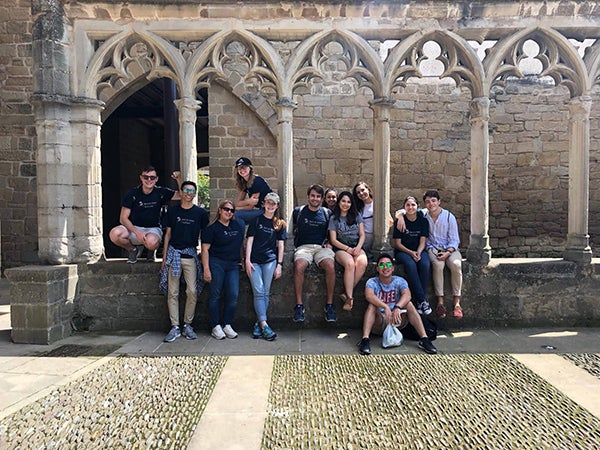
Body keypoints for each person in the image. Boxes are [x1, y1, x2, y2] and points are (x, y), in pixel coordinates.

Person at [357, 253, 438, 356]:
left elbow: (407, 295)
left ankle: (424, 339)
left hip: (397, 320)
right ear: (377, 268)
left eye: (389, 265)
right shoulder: (372, 282)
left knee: (408, 304)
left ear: (393, 268)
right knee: (372, 306)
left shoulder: (399, 281)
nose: (385, 267)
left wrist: (397, 307)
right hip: (380, 321)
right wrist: (385, 306)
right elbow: (369, 296)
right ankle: (365, 340)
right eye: (382, 265)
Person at [160, 181, 209, 343]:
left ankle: (188, 324)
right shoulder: (172, 212)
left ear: (195, 194)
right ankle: (174, 326)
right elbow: (167, 234)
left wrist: (203, 260)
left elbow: (204, 238)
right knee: (172, 292)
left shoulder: (200, 213)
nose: (189, 193)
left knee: (192, 291)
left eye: (192, 191)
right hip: (174, 254)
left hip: (190, 255)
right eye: (186, 190)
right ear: (181, 192)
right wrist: (164, 257)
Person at [109, 166, 181, 263]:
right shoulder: (132, 193)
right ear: (141, 178)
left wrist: (178, 179)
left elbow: (182, 195)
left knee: (151, 242)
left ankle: (151, 251)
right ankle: (132, 250)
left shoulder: (161, 192)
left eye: (152, 177)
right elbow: (123, 218)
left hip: (153, 228)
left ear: (156, 179)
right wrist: (138, 233)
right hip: (134, 228)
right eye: (146, 177)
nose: (149, 180)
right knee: (114, 234)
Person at [245, 192, 287, 341]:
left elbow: (281, 246)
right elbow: (249, 241)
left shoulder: (280, 224)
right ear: (264, 204)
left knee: (265, 292)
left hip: (270, 261)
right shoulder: (256, 220)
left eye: (273, 203)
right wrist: (247, 260)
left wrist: (280, 265)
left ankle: (259, 324)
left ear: (277, 206)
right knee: (259, 290)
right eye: (268, 202)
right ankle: (264, 324)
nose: (270, 206)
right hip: (255, 260)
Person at [292, 184, 337, 323]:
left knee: (330, 266)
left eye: (318, 196)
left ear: (321, 198)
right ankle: (299, 306)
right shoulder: (298, 212)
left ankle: (329, 305)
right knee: (299, 266)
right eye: (312, 196)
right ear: (308, 196)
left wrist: (330, 242)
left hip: (320, 247)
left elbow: (332, 232)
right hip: (303, 247)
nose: (315, 199)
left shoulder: (326, 213)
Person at [201, 200, 245, 339]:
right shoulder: (211, 229)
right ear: (220, 210)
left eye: (232, 210)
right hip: (216, 263)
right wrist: (206, 269)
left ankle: (227, 324)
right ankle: (215, 325)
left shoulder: (237, 226)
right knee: (215, 294)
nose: (229, 212)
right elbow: (205, 250)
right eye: (226, 209)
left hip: (232, 264)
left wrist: (242, 260)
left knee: (233, 294)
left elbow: (240, 245)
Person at [422, 190, 463, 319]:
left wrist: (448, 252)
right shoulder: (423, 215)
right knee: (438, 265)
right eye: (428, 202)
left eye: (433, 201)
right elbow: (402, 211)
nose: (431, 204)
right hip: (433, 248)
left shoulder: (449, 216)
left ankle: (457, 302)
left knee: (456, 265)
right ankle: (440, 302)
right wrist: (400, 217)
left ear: (439, 202)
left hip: (450, 248)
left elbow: (455, 239)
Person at [392, 195, 432, 316]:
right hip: (403, 251)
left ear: (417, 207)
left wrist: (419, 252)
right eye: (408, 205)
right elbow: (397, 244)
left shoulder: (423, 221)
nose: (410, 207)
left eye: (413, 205)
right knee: (410, 265)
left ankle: (420, 302)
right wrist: (411, 253)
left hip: (418, 250)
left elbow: (422, 241)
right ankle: (422, 300)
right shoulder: (399, 221)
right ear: (404, 207)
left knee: (425, 264)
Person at [328, 191, 368, 311]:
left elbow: (362, 235)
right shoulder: (334, 219)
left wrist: (358, 247)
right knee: (350, 264)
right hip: (341, 248)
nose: (346, 204)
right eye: (343, 201)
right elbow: (333, 240)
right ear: (339, 202)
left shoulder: (356, 216)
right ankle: (350, 298)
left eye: (348, 202)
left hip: (356, 246)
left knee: (362, 263)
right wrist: (347, 249)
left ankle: (346, 294)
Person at [352, 181, 393, 256]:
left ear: (368, 189)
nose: (361, 193)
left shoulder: (378, 204)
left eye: (363, 190)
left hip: (378, 239)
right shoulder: (357, 208)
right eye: (358, 192)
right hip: (363, 239)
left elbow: (390, 222)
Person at [233, 157, 272, 226]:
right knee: (233, 216)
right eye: (239, 168)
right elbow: (238, 202)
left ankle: (240, 236)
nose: (242, 170)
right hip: (262, 210)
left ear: (250, 168)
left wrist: (236, 208)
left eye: (244, 167)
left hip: (268, 211)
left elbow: (250, 206)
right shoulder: (245, 183)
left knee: (237, 215)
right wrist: (248, 201)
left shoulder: (256, 181)